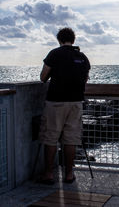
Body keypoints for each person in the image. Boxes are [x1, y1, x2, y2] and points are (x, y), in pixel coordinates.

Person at [38, 27, 90, 184]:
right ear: (73, 40)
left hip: (56, 102)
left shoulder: (55, 53)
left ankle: (48, 174)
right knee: (70, 139)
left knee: (51, 137)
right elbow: (85, 78)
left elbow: (43, 77)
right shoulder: (82, 57)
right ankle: (69, 174)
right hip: (76, 102)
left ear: (59, 40)